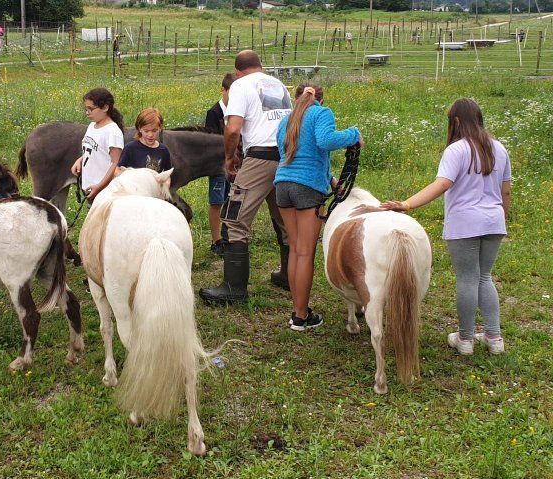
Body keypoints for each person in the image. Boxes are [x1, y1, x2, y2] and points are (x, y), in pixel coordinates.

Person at [381, 98, 511, 355]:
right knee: (485, 277)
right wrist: (500, 218)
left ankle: (465, 339)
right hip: (494, 221)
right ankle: (494, 338)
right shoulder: (499, 148)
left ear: (457, 121)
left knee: (467, 278)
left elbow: (442, 184)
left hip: (465, 223)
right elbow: (506, 192)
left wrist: (407, 204)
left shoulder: (457, 150)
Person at [200, 50, 292, 305]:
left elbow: (232, 128)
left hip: (260, 156)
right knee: (283, 217)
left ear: (238, 71)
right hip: (287, 156)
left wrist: (230, 159)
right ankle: (289, 275)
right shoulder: (278, 84)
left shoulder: (240, 85)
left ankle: (234, 287)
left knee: (235, 219)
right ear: (260, 66)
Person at [274, 83, 362, 331]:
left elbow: (292, 154)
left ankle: (297, 310)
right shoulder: (322, 113)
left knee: (294, 250)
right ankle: (301, 317)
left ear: (296, 98)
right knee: (305, 253)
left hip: (282, 185)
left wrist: (331, 179)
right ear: (320, 100)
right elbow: (325, 141)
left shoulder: (286, 120)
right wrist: (354, 134)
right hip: (307, 189)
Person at [70, 88, 125, 202]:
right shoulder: (92, 126)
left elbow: (115, 163)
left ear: (105, 107)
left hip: (104, 192)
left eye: (91, 109)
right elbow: (93, 150)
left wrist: (99, 187)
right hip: (90, 187)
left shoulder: (113, 132)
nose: (87, 112)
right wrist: (80, 160)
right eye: (86, 109)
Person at [205, 72, 238, 258]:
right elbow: (209, 141)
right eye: (230, 94)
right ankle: (216, 239)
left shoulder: (237, 112)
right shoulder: (214, 113)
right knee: (217, 201)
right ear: (223, 90)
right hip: (218, 165)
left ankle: (230, 236)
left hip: (235, 164)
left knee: (233, 200)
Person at [118, 107, 171, 174]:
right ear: (139, 128)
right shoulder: (130, 148)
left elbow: (167, 175)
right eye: (146, 131)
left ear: (160, 128)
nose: (150, 135)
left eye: (154, 130)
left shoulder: (163, 150)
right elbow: (117, 170)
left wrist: (166, 182)